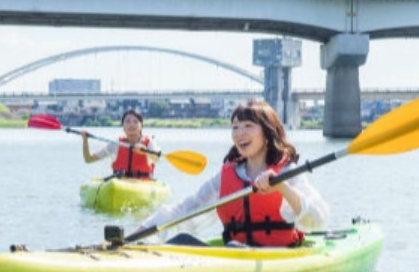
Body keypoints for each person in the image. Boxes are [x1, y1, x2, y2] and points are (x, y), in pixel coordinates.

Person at [133, 99, 328, 246]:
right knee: (181, 240)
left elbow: (317, 218)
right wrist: (136, 234)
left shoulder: (287, 171)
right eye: (235, 127)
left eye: (248, 126)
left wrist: (282, 187)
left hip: (276, 257)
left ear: (267, 133)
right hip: (236, 254)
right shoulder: (228, 174)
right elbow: (185, 208)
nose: (239, 133)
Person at [81, 108, 158, 179]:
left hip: (143, 183)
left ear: (141, 125)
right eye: (127, 121)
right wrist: (85, 141)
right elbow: (88, 159)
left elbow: (156, 158)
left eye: (135, 121)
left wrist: (145, 151)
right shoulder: (116, 144)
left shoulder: (149, 142)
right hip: (120, 183)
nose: (131, 125)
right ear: (123, 126)